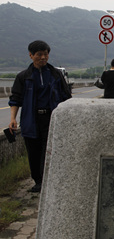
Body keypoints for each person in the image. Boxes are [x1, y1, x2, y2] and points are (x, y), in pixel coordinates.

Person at [9, 40, 72, 192]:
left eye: (46, 54)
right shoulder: (23, 77)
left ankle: (48, 180)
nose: (43, 57)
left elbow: (66, 96)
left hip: (52, 117)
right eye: (39, 55)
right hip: (31, 118)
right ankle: (38, 181)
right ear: (31, 55)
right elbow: (15, 99)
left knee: (49, 149)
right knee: (33, 151)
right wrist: (12, 119)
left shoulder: (56, 74)